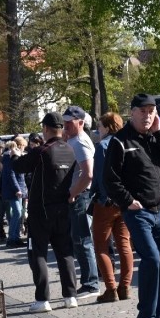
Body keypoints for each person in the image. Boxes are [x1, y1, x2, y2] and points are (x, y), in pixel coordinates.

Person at [104, 93, 160, 318]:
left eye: (152, 111)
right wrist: (128, 201)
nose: (148, 115)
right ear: (132, 112)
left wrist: (159, 133)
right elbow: (110, 180)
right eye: (143, 111)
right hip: (139, 213)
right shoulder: (120, 141)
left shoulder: (154, 138)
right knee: (152, 260)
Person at [13, 112, 79, 313]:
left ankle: (43, 299)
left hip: (41, 211)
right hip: (63, 208)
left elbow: (19, 166)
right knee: (65, 253)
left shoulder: (42, 151)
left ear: (47, 129)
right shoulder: (70, 150)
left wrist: (14, 155)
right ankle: (70, 296)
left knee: (38, 254)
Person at [91, 112, 134, 303]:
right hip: (125, 201)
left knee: (101, 245)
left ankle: (110, 288)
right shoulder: (127, 142)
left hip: (107, 202)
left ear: (107, 127)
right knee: (124, 245)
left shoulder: (103, 146)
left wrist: (101, 197)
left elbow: (101, 175)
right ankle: (125, 286)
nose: (98, 130)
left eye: (100, 126)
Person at [62, 105, 100, 298]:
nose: (65, 125)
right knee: (79, 240)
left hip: (81, 196)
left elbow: (89, 174)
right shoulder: (74, 140)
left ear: (81, 122)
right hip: (79, 195)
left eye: (69, 122)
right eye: (64, 122)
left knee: (82, 240)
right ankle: (90, 281)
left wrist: (72, 193)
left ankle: (91, 283)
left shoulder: (81, 142)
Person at [0, 140, 27, 248]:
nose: (24, 148)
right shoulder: (8, 158)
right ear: (19, 146)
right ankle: (11, 238)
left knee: (18, 213)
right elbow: (11, 174)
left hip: (17, 189)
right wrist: (17, 189)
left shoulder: (12, 156)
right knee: (17, 213)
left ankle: (16, 238)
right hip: (14, 190)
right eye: (23, 146)